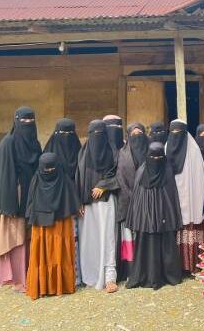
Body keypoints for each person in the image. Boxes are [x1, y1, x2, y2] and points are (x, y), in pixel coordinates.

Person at [0, 106, 42, 292]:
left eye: (31, 121)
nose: (28, 125)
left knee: (28, 237)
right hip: (14, 201)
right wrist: (9, 202)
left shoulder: (35, 144)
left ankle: (29, 275)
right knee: (15, 237)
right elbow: (3, 176)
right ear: (16, 121)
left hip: (32, 198)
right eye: (23, 121)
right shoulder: (7, 143)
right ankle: (15, 279)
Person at [125, 142, 182, 290]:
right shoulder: (142, 171)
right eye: (153, 156)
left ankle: (168, 274)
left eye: (159, 157)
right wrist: (145, 216)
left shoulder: (167, 171)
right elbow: (137, 198)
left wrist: (167, 215)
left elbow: (172, 196)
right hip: (146, 219)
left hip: (164, 218)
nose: (155, 160)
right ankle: (146, 275)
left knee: (166, 243)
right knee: (146, 244)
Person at [25, 152, 80, 299]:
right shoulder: (37, 180)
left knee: (59, 251)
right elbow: (30, 203)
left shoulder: (62, 180)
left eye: (52, 169)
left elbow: (72, 200)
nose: (49, 172)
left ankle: (60, 285)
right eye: (46, 169)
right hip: (42, 225)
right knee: (43, 253)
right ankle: (44, 286)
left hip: (60, 223)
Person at [76, 120, 120, 292]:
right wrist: (79, 201)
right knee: (90, 241)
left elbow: (118, 173)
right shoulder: (83, 153)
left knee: (108, 239)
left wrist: (103, 185)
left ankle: (109, 278)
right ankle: (91, 275)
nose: (97, 137)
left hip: (106, 202)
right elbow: (78, 178)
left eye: (100, 133)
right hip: (87, 206)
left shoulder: (112, 152)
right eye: (93, 133)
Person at [42, 118, 83, 286]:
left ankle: (75, 277)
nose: (67, 137)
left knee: (74, 241)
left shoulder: (79, 153)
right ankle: (56, 279)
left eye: (70, 133)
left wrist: (78, 201)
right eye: (63, 133)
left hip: (74, 205)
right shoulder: (49, 153)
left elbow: (82, 179)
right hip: (54, 207)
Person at [165, 120, 204, 276]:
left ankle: (192, 266)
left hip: (191, 200)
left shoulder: (193, 150)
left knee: (190, 229)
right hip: (173, 198)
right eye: (173, 133)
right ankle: (176, 268)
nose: (175, 137)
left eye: (179, 133)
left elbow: (199, 180)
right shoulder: (165, 148)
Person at [114, 123, 149, 281]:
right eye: (133, 134)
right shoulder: (122, 153)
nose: (137, 136)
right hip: (126, 202)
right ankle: (131, 271)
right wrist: (132, 196)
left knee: (145, 236)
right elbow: (120, 178)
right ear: (128, 136)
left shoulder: (150, 153)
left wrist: (142, 196)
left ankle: (146, 269)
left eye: (139, 133)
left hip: (147, 202)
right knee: (129, 237)